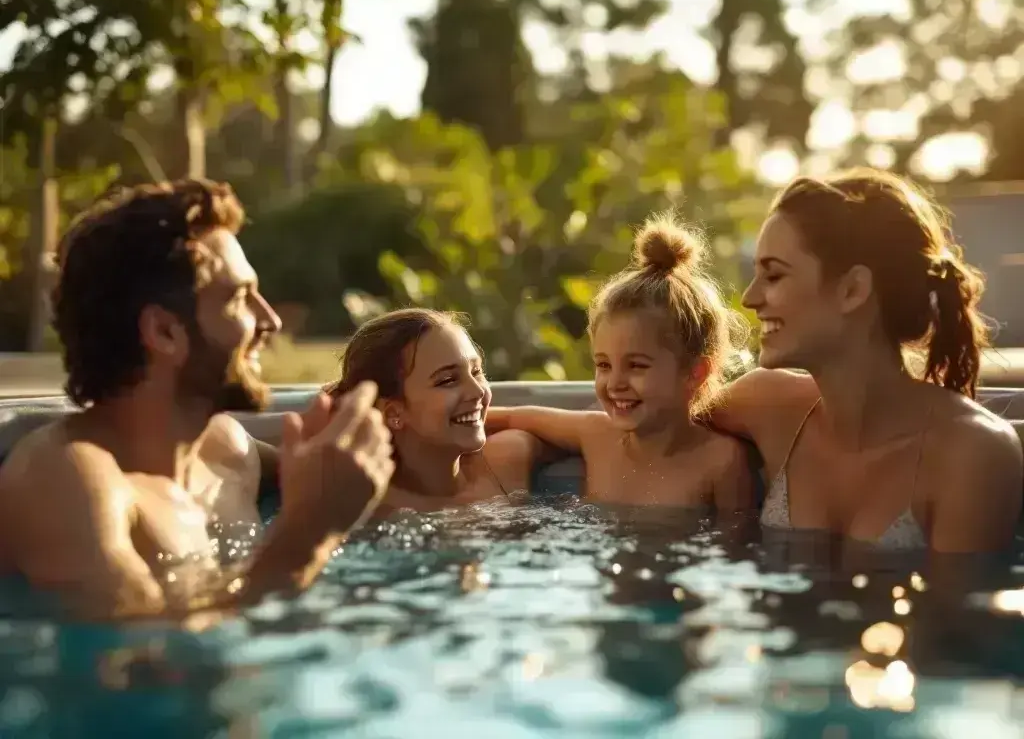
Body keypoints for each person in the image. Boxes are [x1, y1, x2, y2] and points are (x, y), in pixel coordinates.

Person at [0, 179, 394, 620]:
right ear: (164, 332)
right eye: (240, 297)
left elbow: (335, 481)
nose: (270, 320)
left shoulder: (226, 447)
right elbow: (142, 661)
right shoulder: (65, 479)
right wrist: (307, 539)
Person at [710, 167, 1022, 553]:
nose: (750, 298)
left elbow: (953, 612)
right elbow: (646, 420)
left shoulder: (971, 454)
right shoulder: (765, 407)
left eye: (773, 276)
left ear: (852, 290)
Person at [486, 214, 757, 510]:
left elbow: (736, 549)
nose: (615, 383)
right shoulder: (597, 435)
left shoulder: (721, 462)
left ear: (695, 372)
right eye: (603, 365)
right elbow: (513, 417)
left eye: (637, 365)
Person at [324, 308, 542, 515]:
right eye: (447, 380)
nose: (477, 391)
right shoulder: (372, 511)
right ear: (393, 414)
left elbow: (578, 426)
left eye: (476, 372)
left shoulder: (507, 462)